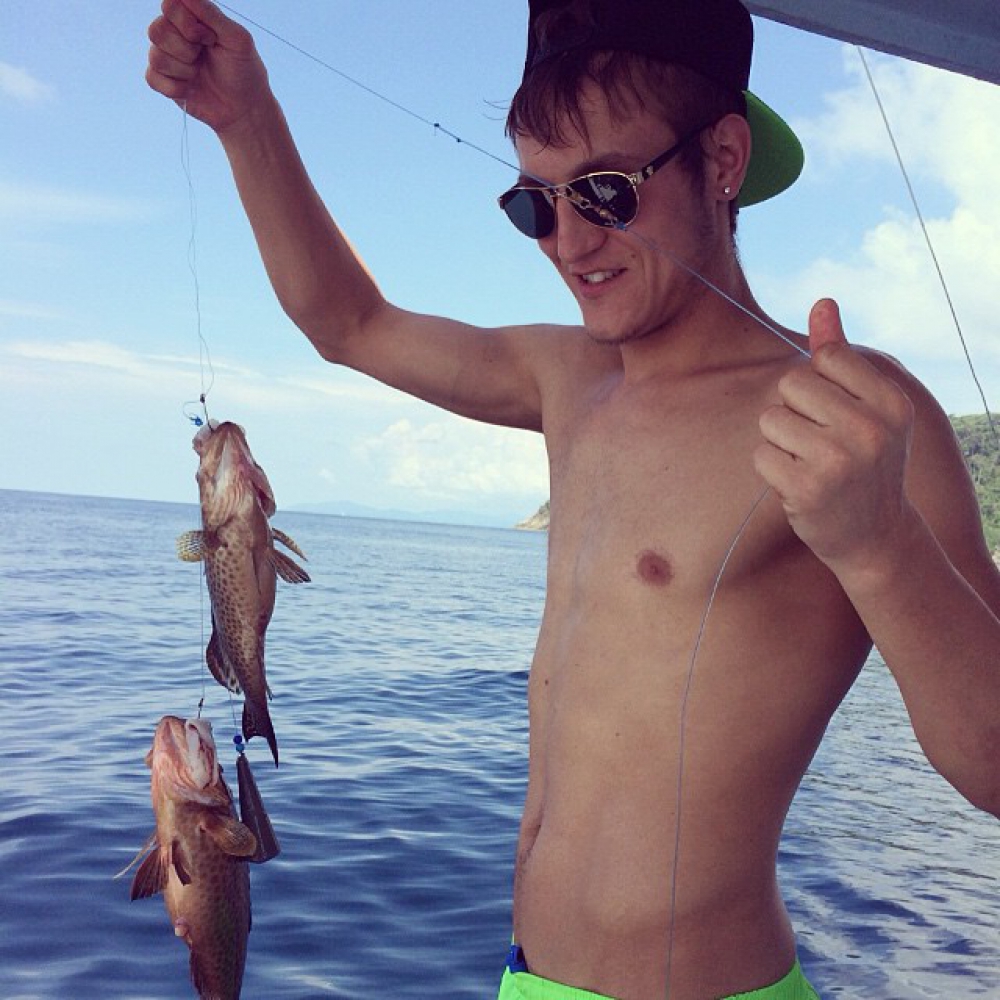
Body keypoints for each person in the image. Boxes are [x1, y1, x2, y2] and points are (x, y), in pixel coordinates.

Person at [146, 0, 1000, 997]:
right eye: (535, 206)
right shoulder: (566, 378)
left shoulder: (854, 415)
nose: (568, 241)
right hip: (528, 977)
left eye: (604, 191)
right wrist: (245, 117)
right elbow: (350, 322)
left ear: (723, 159)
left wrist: (882, 546)